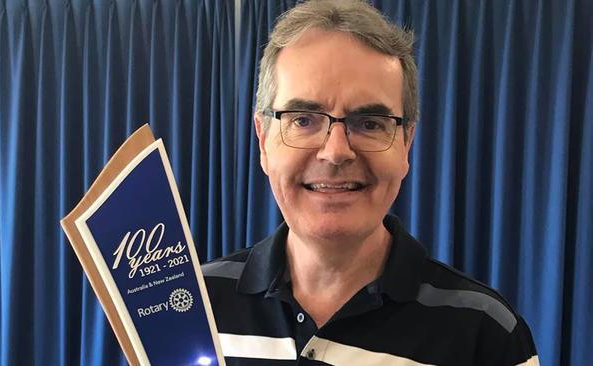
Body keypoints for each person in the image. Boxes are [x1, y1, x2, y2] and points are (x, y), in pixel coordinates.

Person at [203, 1, 539, 365]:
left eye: (370, 123)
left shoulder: (487, 332)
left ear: (406, 144)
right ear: (264, 141)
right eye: (303, 120)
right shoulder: (192, 306)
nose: (335, 152)